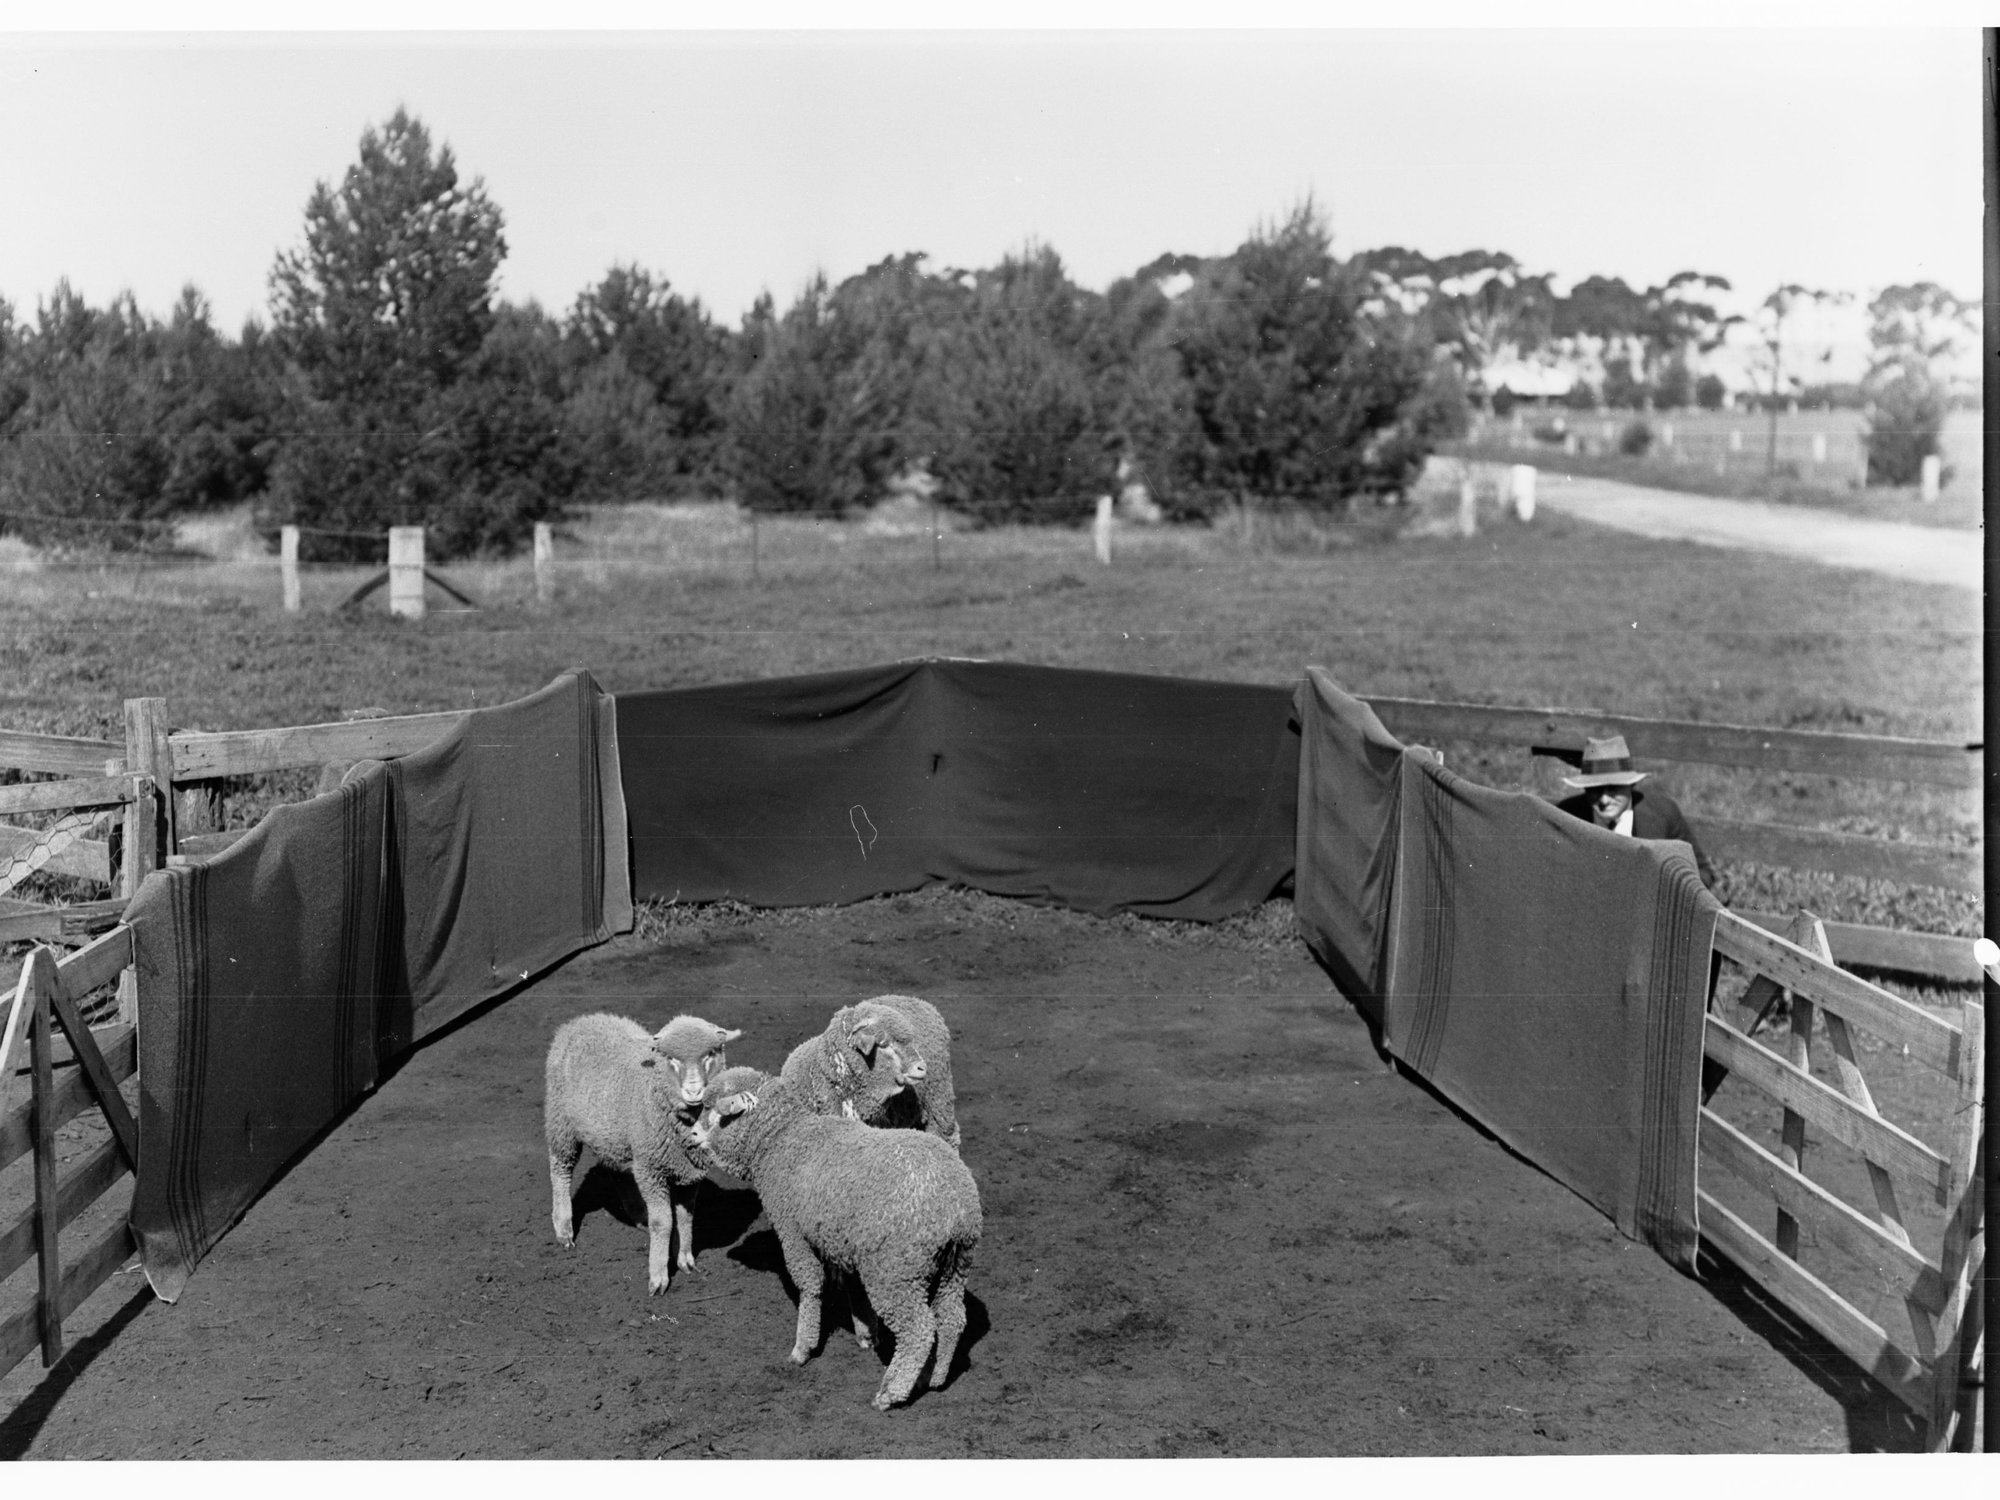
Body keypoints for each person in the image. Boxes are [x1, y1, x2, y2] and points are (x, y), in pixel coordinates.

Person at [1554, 734, 1717, 890]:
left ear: (1630, 785)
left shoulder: (1662, 813)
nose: (1604, 800)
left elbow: (1703, 873)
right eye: (1594, 790)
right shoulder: (1568, 814)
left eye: (1613, 788)